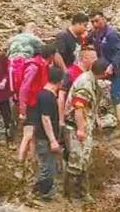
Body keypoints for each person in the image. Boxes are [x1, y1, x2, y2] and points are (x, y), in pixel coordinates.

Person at [66, 58, 109, 202]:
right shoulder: (85, 83)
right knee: (76, 160)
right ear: (104, 72)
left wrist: (96, 121)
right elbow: (79, 107)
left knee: (84, 160)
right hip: (77, 125)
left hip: (86, 123)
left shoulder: (92, 81)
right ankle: (73, 195)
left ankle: (84, 193)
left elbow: (90, 106)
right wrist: (81, 129)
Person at [17, 44, 57, 161]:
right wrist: (22, 109)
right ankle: (20, 160)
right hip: (31, 104)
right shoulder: (35, 67)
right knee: (28, 134)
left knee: (32, 135)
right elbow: (24, 87)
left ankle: (30, 160)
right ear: (51, 56)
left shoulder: (43, 65)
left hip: (36, 103)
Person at [87, 10, 120, 127]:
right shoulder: (95, 33)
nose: (95, 24)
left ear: (104, 19)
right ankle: (95, 118)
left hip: (114, 68)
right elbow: (86, 40)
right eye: (92, 22)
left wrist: (112, 65)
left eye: (97, 21)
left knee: (115, 94)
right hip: (101, 67)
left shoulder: (111, 34)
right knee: (94, 90)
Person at [33, 66, 65, 200]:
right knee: (48, 167)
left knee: (47, 165)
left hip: (43, 137)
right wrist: (52, 140)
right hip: (44, 138)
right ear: (60, 81)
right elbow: (45, 119)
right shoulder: (47, 97)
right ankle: (42, 193)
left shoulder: (45, 94)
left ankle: (40, 191)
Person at [58, 46, 97, 129]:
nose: (96, 60)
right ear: (85, 58)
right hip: (72, 114)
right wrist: (61, 119)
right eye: (93, 58)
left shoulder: (90, 74)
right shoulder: (71, 73)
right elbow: (61, 96)